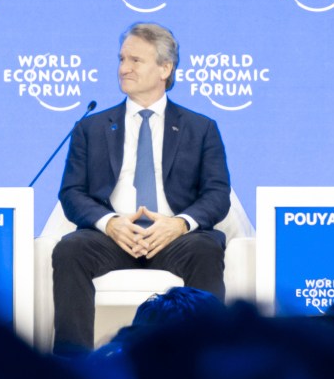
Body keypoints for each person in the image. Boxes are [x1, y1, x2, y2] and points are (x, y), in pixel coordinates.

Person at [50, 23, 233, 356]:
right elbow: (72, 192)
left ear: (165, 68)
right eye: (121, 59)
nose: (123, 68)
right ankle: (72, 369)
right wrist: (110, 223)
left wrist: (179, 224)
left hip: (175, 237)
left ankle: (207, 365)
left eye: (135, 60)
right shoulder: (90, 127)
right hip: (111, 237)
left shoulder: (201, 128)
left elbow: (217, 194)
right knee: (70, 250)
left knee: (206, 250)